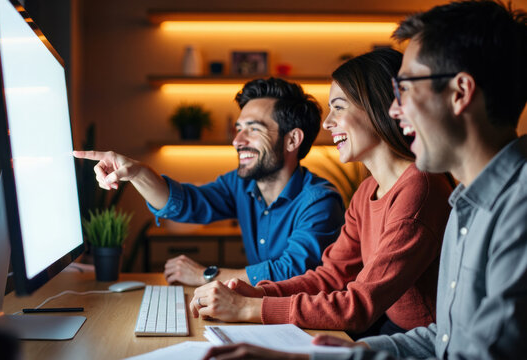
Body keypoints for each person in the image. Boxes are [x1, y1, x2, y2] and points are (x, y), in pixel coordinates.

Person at [202, 1, 527, 359]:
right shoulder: (465, 203)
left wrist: (255, 309)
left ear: (460, 93)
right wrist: (313, 354)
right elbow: (441, 340)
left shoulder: (509, 207)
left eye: (406, 87)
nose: (394, 107)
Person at [190, 48, 454, 337]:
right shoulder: (367, 191)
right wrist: (257, 294)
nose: (328, 123)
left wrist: (247, 308)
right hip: (388, 329)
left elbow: (359, 305)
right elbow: (331, 277)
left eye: (339, 107)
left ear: (379, 106)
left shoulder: (419, 190)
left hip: (425, 342)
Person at [74, 78, 344, 286]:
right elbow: (186, 204)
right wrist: (138, 174)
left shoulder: (319, 201)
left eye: (253, 129)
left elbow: (290, 273)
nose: (237, 141)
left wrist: (205, 275)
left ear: (292, 140)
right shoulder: (240, 185)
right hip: (266, 312)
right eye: (238, 129)